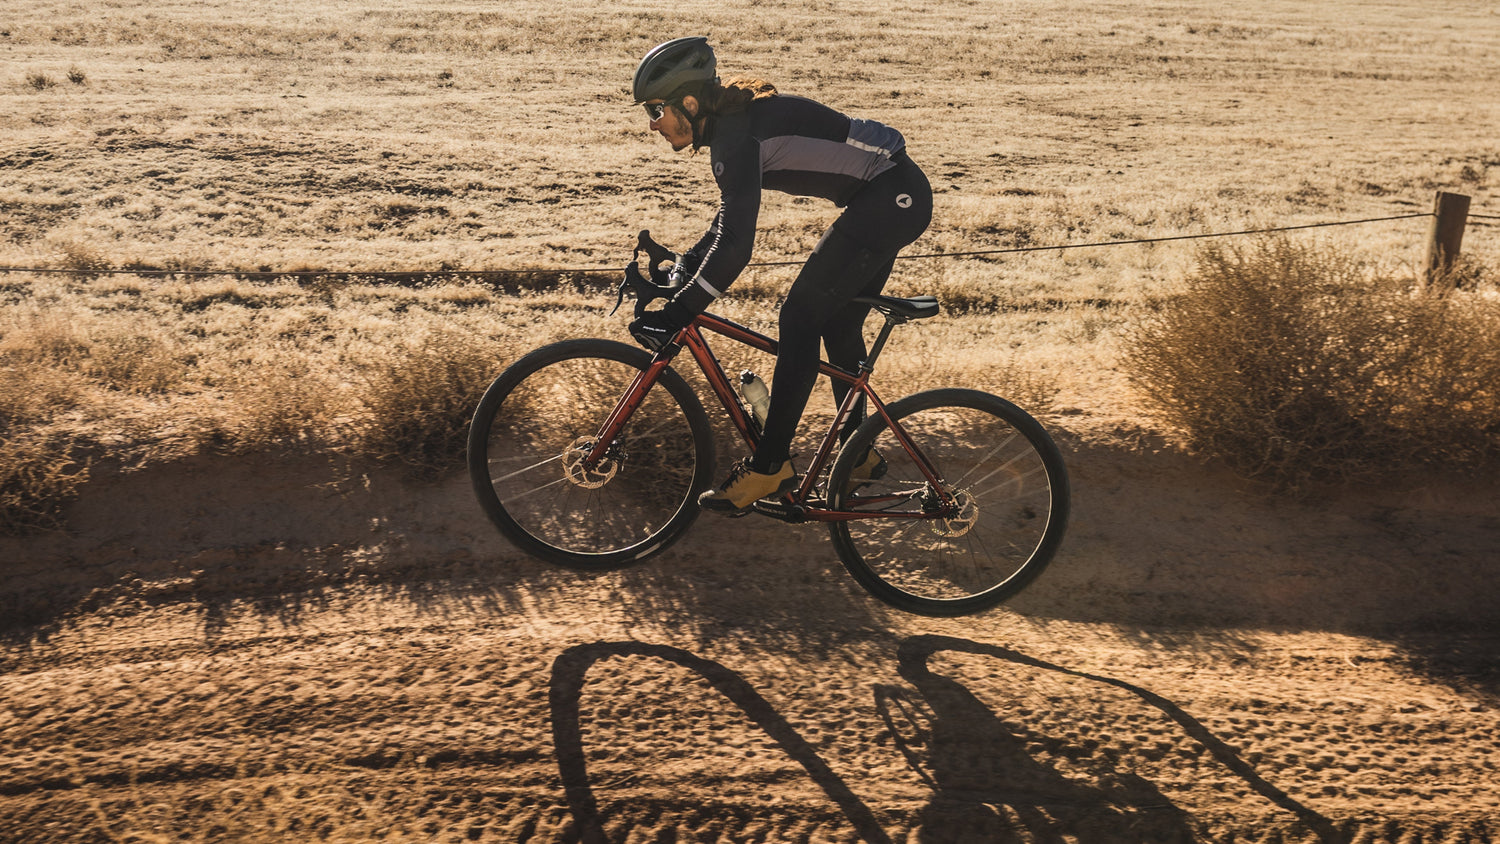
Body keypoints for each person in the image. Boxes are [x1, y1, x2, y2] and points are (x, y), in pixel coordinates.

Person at [628, 36, 933, 515]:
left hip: (891, 197)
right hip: (891, 196)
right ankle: (856, 453)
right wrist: (683, 267)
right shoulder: (731, 133)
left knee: (798, 319)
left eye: (655, 109)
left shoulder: (734, 137)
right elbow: (731, 222)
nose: (652, 124)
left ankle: (770, 465)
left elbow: (736, 246)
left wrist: (681, 310)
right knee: (836, 323)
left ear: (688, 102)